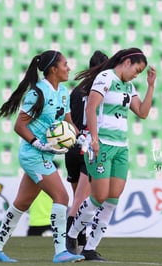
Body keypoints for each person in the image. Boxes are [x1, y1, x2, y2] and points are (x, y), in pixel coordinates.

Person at [0, 50, 85, 263]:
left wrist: (79, 136)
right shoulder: (37, 93)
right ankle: (61, 252)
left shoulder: (64, 92)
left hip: (44, 156)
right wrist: (37, 142)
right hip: (33, 154)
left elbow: (68, 123)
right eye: (65, 64)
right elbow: (19, 125)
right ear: (53, 69)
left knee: (22, 203)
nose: (69, 68)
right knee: (62, 197)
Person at [66, 48, 157, 261]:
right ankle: (70, 235)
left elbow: (142, 113)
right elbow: (92, 109)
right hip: (102, 145)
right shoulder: (105, 78)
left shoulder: (129, 86)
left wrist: (151, 86)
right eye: (137, 69)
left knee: (113, 198)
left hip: (120, 147)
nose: (137, 74)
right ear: (126, 61)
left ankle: (90, 248)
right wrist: (95, 139)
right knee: (98, 196)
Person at [65, 50, 108, 252]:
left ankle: (80, 244)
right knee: (82, 202)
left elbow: (69, 119)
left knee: (77, 199)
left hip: (72, 147)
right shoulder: (102, 91)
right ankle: (69, 245)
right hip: (88, 148)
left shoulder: (76, 91)